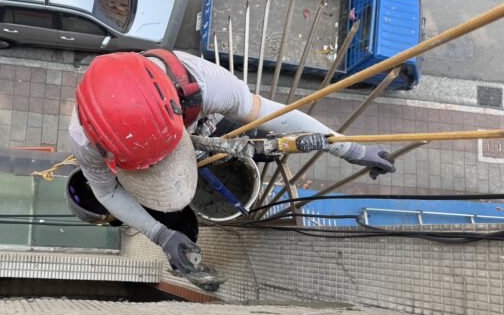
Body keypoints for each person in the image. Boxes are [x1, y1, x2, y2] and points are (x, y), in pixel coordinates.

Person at [68, 50, 395, 289]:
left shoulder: (204, 84)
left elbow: (272, 114)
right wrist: (161, 235)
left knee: (264, 145)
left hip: (213, 132)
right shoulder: (89, 139)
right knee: (171, 218)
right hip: (177, 143)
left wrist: (349, 148)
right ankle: (186, 254)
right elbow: (107, 190)